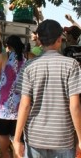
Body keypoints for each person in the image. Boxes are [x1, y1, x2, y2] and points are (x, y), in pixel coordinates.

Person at [13, 19, 81, 158]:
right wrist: (80, 138)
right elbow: (74, 106)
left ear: (40, 40)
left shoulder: (29, 66)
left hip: (35, 137)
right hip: (63, 137)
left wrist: (16, 139)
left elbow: (24, 105)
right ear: (59, 39)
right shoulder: (71, 65)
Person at [0, 35, 26, 158]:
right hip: (22, 102)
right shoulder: (30, 57)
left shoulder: (4, 56)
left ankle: (5, 155)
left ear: (7, 46)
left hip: (2, 103)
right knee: (18, 136)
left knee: (2, 132)